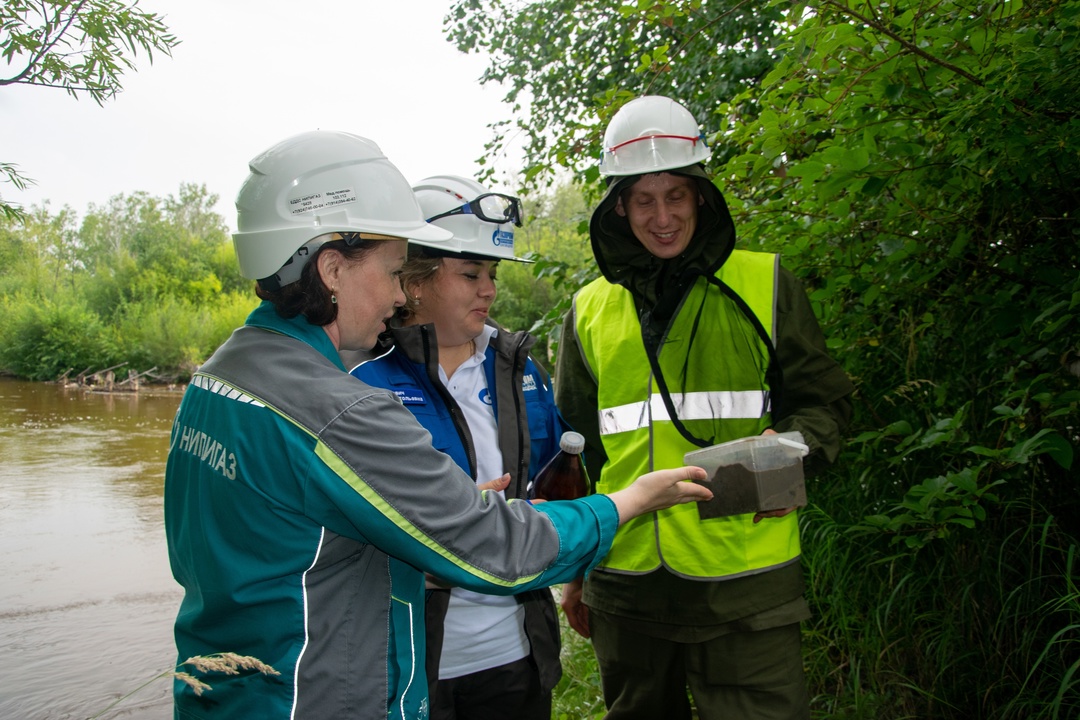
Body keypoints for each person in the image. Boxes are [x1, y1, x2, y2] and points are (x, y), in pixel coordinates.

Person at [163, 129, 713, 720]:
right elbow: (498, 546)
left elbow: (257, 549)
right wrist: (627, 502)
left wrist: (419, 517)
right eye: (396, 271)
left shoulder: (219, 378)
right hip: (315, 697)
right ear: (332, 269)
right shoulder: (340, 408)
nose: (401, 297)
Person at [554, 96, 856, 720]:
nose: (662, 217)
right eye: (644, 200)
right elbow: (582, 449)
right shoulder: (587, 309)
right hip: (628, 586)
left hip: (746, 590)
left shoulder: (766, 283)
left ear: (701, 197)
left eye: (677, 197)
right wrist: (580, 569)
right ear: (619, 207)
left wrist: (788, 453)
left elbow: (825, 405)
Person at [351, 175, 563, 720]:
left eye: (491, 274)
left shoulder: (522, 369)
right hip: (408, 665)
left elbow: (558, 479)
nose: (489, 290)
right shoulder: (356, 377)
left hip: (518, 657)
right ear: (415, 282)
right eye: (470, 273)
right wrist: (443, 514)